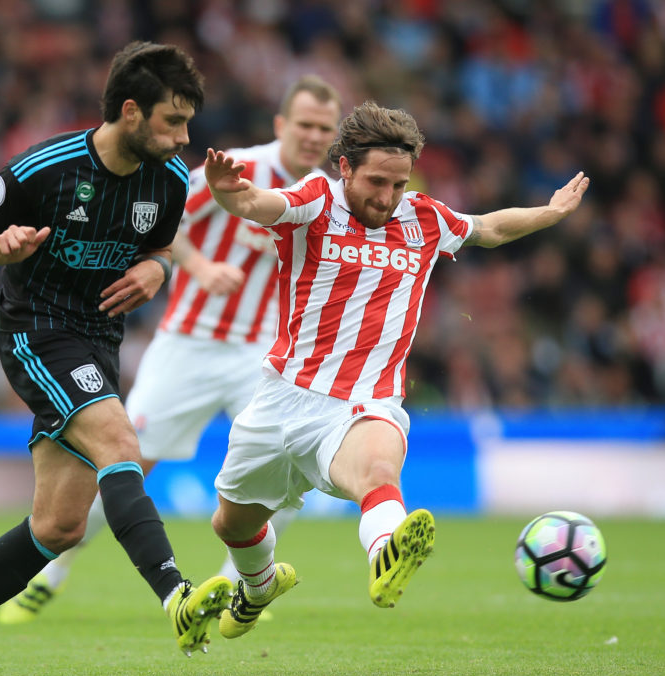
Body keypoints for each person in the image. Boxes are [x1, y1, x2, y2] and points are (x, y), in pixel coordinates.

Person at [0, 41, 228, 676]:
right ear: (131, 112)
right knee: (120, 442)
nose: (184, 139)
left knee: (60, 524)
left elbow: (159, 245)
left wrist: (156, 268)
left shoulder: (171, 179)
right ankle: (176, 595)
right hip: (36, 334)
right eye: (172, 122)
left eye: (188, 123)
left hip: (100, 341)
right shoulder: (44, 169)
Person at [203, 101, 590, 637]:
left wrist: (549, 214)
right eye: (376, 182)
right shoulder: (316, 201)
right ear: (344, 168)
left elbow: (490, 229)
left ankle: (387, 553)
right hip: (284, 395)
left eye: (398, 184)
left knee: (378, 473)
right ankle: (260, 584)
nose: (387, 198)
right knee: (233, 522)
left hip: (365, 402)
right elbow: (258, 201)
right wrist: (229, 191)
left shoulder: (425, 218)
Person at [0, 75, 343, 625]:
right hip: (189, 343)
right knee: (124, 462)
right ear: (281, 125)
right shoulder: (235, 169)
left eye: (325, 129)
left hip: (262, 351)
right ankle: (51, 573)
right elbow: (163, 221)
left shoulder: (329, 193)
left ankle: (240, 590)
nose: (313, 136)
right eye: (304, 124)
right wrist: (201, 268)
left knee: (285, 466)